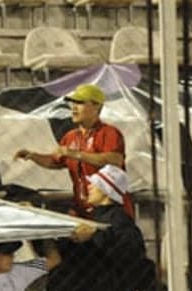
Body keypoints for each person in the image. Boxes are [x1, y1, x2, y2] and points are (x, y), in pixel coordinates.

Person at [46, 165, 151, 291]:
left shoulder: (117, 221)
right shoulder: (101, 219)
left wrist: (94, 236)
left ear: (106, 190)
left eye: (94, 184)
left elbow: (130, 255)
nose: (89, 187)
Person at [13, 83, 130, 218]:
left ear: (97, 105)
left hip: (109, 209)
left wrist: (75, 154)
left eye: (80, 103)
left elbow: (115, 160)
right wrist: (33, 156)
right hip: (81, 208)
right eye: (72, 103)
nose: (73, 108)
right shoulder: (71, 136)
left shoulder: (109, 133)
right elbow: (54, 161)